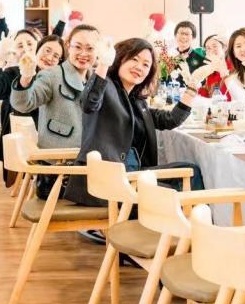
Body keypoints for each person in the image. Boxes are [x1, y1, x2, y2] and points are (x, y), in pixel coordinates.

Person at [64, 38, 201, 207]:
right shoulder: (106, 87)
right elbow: (89, 102)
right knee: (175, 195)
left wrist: (191, 90)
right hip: (107, 182)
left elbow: (170, 120)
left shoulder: (137, 101)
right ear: (119, 59)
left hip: (131, 175)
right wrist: (104, 64)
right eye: (134, 59)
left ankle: (186, 220)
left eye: (146, 65)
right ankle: (191, 221)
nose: (139, 67)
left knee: (191, 171)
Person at [11, 27, 94, 149]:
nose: (83, 53)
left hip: (90, 153)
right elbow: (23, 104)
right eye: (78, 47)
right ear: (69, 46)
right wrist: (27, 75)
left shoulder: (97, 79)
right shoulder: (51, 75)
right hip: (57, 156)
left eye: (90, 48)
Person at [0, 27, 42, 185]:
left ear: (39, 45)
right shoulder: (13, 73)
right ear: (15, 52)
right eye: (20, 46)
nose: (26, 48)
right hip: (22, 138)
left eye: (30, 43)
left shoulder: (49, 70)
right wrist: (0, 57)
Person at [188, 34, 245, 103]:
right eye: (208, 48)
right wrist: (195, 84)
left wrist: (224, 74)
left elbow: (241, 99)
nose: (211, 50)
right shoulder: (210, 72)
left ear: (224, 48)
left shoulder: (235, 66)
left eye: (214, 46)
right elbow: (207, 96)